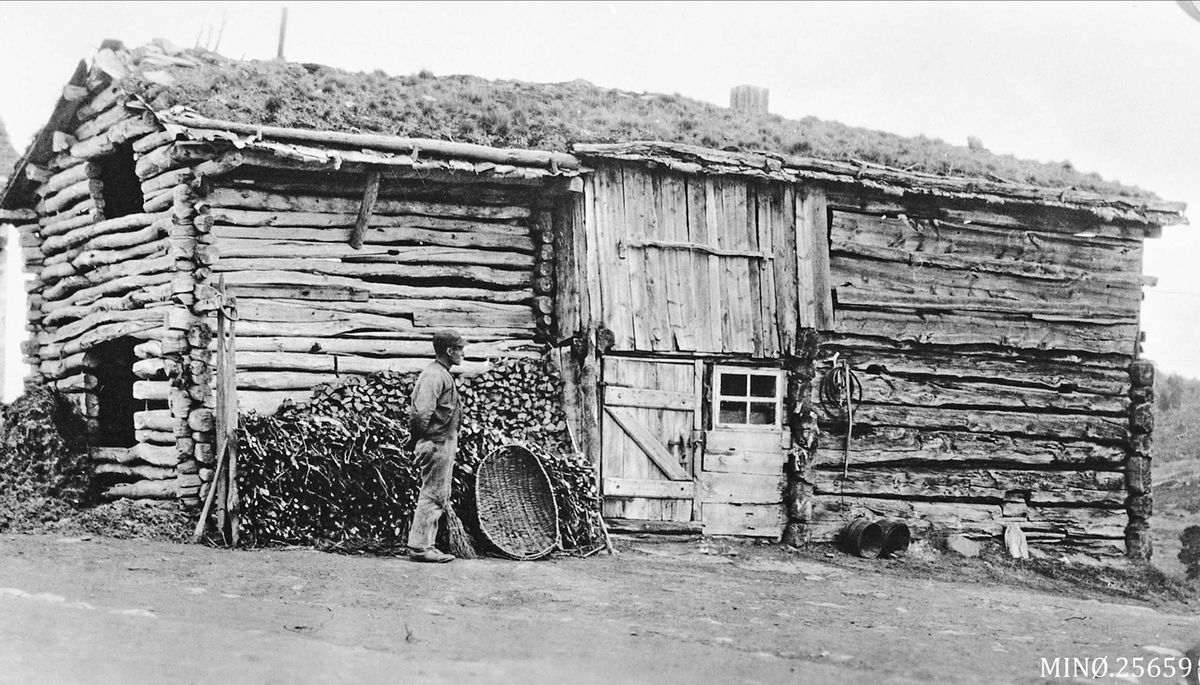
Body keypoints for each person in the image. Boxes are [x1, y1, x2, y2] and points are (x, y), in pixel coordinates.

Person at [404, 329, 465, 563]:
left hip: (442, 440)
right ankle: (420, 548)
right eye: (459, 349)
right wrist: (420, 440)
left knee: (437, 493)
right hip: (435, 442)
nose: (462, 353)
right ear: (448, 351)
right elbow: (421, 414)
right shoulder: (434, 376)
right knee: (433, 493)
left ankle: (426, 544)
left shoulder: (441, 373)